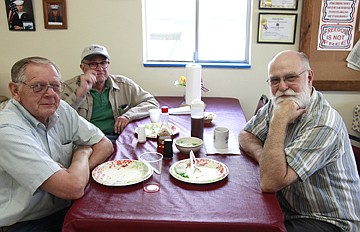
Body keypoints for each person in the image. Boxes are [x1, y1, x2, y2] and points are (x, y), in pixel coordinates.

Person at [239, 50, 360, 232]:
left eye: (290, 77)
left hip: (328, 220)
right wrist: (262, 155)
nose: (282, 87)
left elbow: (270, 182)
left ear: (309, 77)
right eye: (274, 80)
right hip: (289, 206)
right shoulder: (279, 103)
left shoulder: (323, 123)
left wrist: (278, 121)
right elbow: (246, 134)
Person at [0, 57, 114, 231]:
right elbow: (73, 188)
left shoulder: (59, 108)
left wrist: (74, 175)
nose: (50, 94)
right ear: (15, 91)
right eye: (38, 86)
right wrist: (81, 153)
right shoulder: (7, 130)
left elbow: (105, 144)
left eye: (55, 86)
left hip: (67, 205)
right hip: (27, 221)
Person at [61, 44, 159, 141]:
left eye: (103, 63)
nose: (100, 68)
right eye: (93, 64)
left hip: (118, 137)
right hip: (86, 140)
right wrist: (80, 93)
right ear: (82, 67)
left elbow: (151, 102)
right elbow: (58, 116)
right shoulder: (69, 87)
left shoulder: (123, 84)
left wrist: (128, 116)